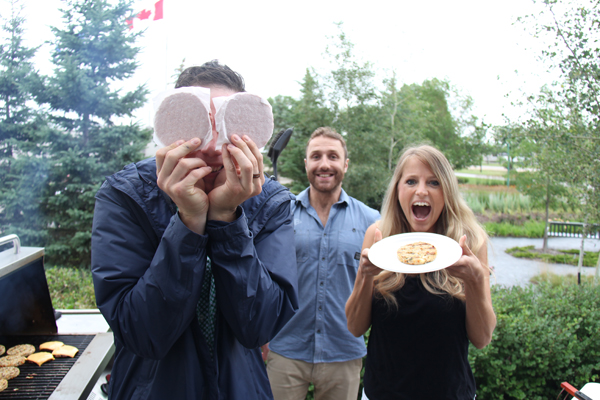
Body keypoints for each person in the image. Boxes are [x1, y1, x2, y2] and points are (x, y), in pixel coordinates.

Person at [91, 60, 299, 400]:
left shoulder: (270, 202)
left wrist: (226, 218)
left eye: (227, 127)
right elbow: (141, 334)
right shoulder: (125, 196)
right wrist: (188, 221)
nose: (212, 147)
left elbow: (259, 327)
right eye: (196, 124)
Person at [345, 145, 496, 400]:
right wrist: (365, 275)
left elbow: (482, 338)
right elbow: (355, 327)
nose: (422, 190)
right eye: (411, 181)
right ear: (398, 190)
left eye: (434, 182)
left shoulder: (469, 242)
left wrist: (476, 279)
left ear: (447, 191)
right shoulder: (378, 236)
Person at [264, 127, 380, 400]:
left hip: (344, 352)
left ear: (345, 164)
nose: (324, 164)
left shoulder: (372, 221)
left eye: (333, 156)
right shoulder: (281, 215)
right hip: (285, 349)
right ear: (306, 164)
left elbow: (384, 286)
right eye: (316, 156)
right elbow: (266, 278)